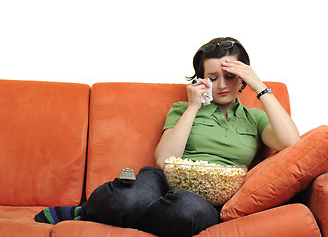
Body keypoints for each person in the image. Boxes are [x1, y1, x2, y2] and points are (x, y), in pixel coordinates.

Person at [34, 37, 300, 237]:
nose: (221, 85)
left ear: (242, 77)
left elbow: (292, 143)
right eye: (213, 77)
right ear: (201, 79)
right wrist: (194, 106)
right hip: (164, 180)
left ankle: (110, 216)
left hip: (207, 196)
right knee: (125, 198)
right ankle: (91, 210)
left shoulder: (255, 118)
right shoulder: (183, 109)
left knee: (187, 212)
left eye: (231, 76)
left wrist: (259, 85)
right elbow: (164, 159)